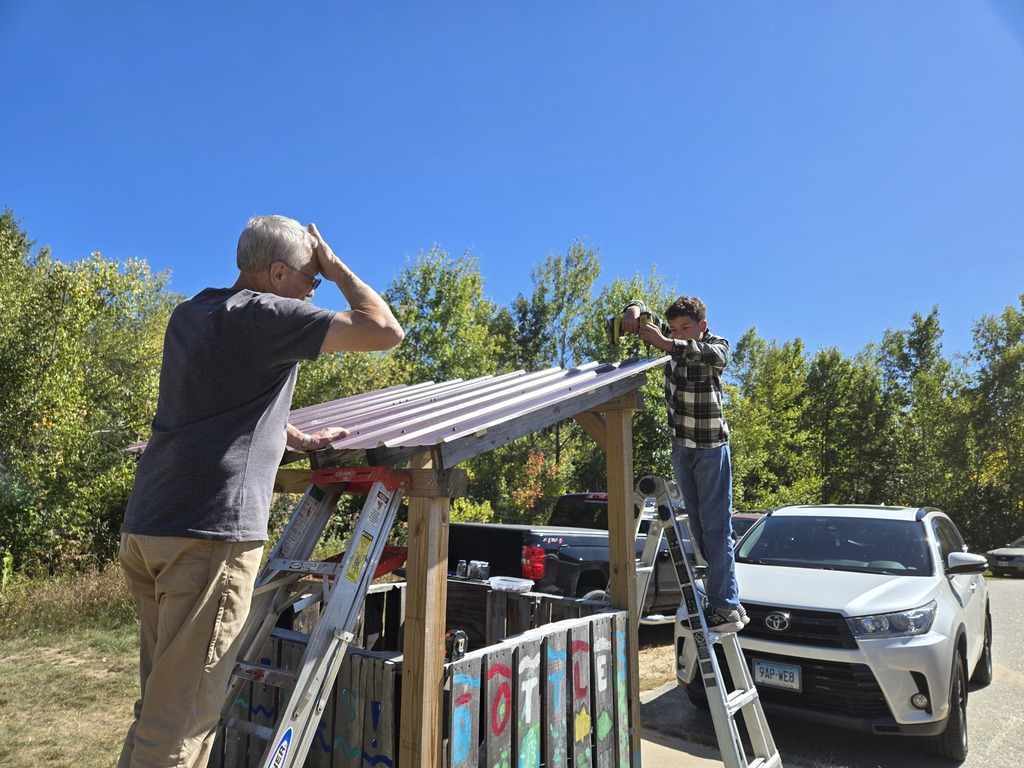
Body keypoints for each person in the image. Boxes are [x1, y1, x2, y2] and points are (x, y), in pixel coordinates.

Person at [117, 215, 404, 768]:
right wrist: (338, 263)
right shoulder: (269, 313)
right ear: (277, 273)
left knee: (158, 705)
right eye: (310, 277)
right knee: (181, 724)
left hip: (150, 526)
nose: (312, 289)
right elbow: (384, 330)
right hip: (208, 536)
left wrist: (294, 434)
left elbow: (221, 399)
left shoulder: (194, 311)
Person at [619, 295, 745, 633]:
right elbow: (639, 306)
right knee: (700, 529)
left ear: (701, 326)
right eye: (673, 329)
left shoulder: (716, 345)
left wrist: (667, 343)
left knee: (717, 528)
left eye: (685, 329)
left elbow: (712, 356)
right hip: (681, 447)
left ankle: (726, 606)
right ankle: (728, 596)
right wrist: (633, 313)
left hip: (711, 448)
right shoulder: (670, 340)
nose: (676, 334)